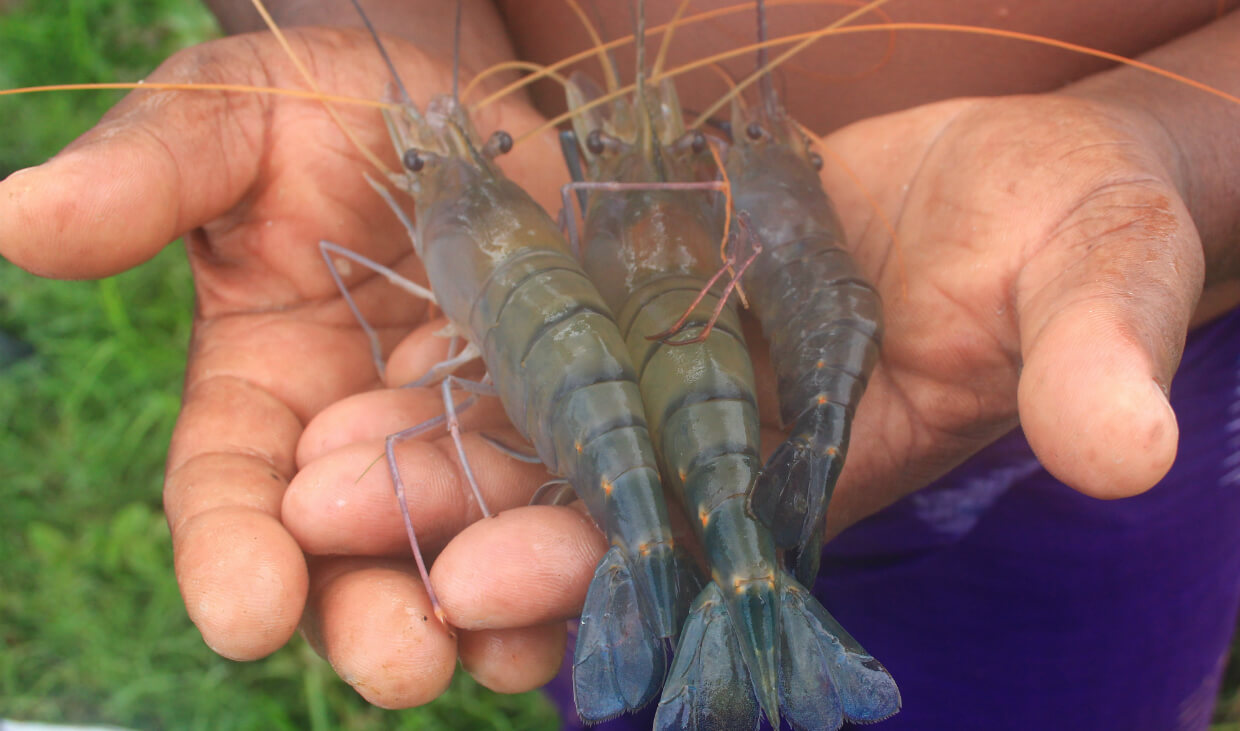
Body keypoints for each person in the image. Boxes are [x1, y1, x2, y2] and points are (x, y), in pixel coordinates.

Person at [1, 1, 1237, 727]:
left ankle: (697, 601)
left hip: (1092, 376)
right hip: (719, 378)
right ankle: (734, 597)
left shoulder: (538, 230)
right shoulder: (663, 223)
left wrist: (1172, 141)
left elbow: (466, 347)